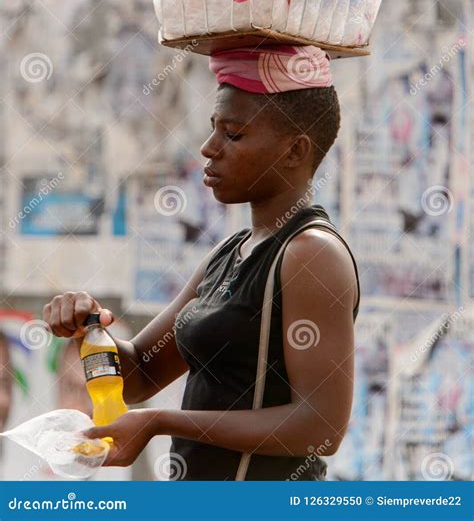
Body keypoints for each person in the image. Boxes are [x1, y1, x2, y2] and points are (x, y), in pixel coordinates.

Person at [44, 44, 360, 481]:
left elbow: (322, 427)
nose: (209, 148)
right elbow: (140, 373)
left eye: (233, 134)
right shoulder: (229, 253)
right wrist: (90, 328)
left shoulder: (311, 255)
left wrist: (162, 422)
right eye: (214, 129)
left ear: (295, 151)